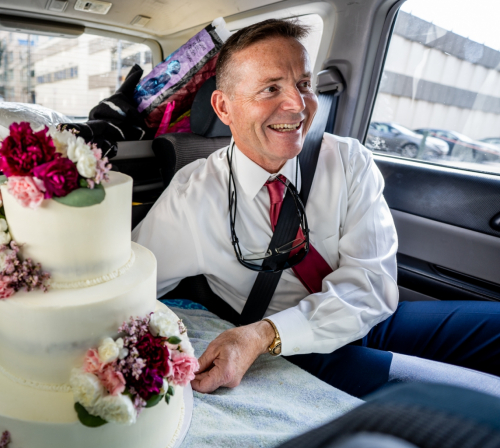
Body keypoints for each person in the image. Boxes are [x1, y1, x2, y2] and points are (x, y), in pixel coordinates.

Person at [132, 18, 500, 398]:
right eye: (271, 88)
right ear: (224, 107)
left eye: (304, 84)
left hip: (366, 321)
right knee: (475, 400)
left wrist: (263, 335)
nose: (297, 105)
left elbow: (371, 286)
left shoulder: (348, 161)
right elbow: (133, 285)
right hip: (295, 353)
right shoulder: (193, 194)